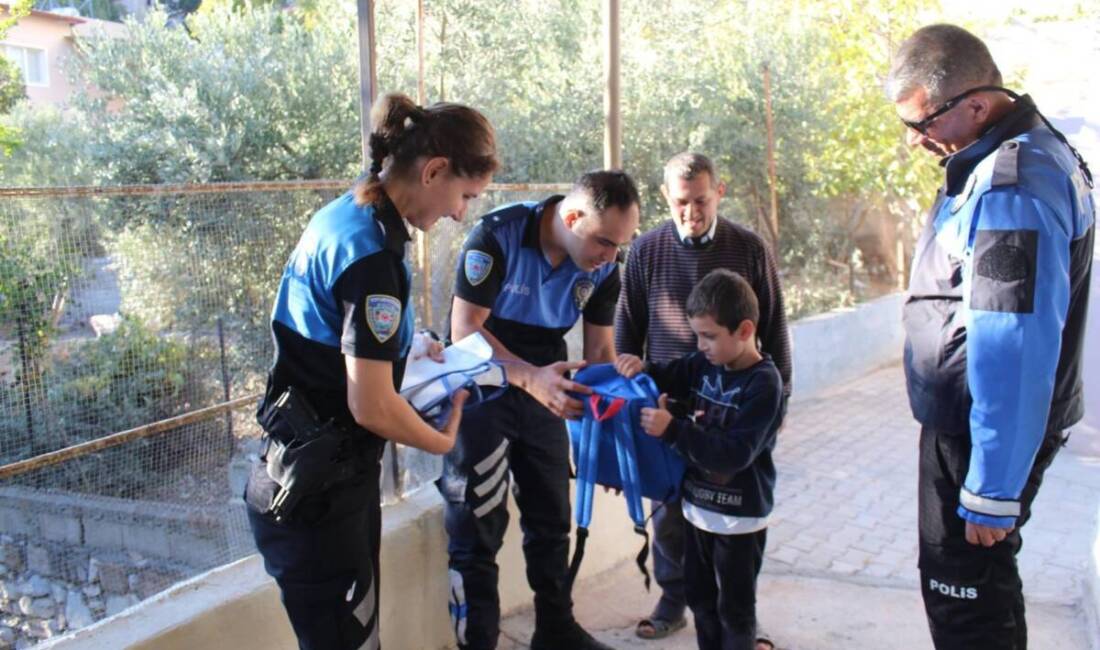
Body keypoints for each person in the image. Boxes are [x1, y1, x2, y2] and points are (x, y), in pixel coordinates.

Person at [244, 93, 499, 650]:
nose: (460, 213)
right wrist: (439, 439)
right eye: (464, 195)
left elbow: (336, 343)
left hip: (316, 474)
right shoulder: (373, 254)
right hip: (318, 494)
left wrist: (415, 348)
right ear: (434, 171)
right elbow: (372, 405)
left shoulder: (354, 214)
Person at [887, 24, 1094, 649]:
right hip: (967, 422)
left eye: (924, 124)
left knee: (965, 596)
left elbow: (1014, 344)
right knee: (984, 586)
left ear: (976, 103)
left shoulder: (1013, 187)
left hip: (977, 431)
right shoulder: (1003, 155)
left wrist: (992, 488)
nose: (919, 142)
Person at [438, 170, 640, 650]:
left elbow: (598, 351)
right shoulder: (496, 236)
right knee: (476, 524)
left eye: (620, 245)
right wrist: (529, 378)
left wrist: (615, 411)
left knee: (552, 518)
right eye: (605, 243)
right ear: (572, 218)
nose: (611, 257)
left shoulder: (606, 266)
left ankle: (555, 630)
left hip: (547, 382)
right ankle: (479, 641)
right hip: (483, 384)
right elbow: (463, 331)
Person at [614, 152, 790, 646]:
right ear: (665, 199)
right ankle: (675, 599)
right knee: (673, 513)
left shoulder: (750, 249)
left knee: (732, 523)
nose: (690, 212)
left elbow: (774, 328)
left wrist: (779, 409)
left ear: (720, 192)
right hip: (671, 409)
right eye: (680, 202)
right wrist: (634, 382)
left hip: (733, 412)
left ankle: (740, 619)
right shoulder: (645, 251)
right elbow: (627, 327)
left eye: (700, 200)